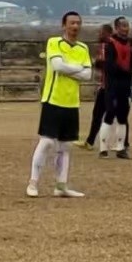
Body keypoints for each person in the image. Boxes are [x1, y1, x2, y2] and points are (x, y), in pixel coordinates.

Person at [27, 11, 95, 198]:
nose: (75, 27)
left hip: (72, 103)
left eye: (78, 23)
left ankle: (61, 185)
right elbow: (57, 66)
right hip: (53, 99)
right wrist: (77, 69)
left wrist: (69, 69)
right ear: (64, 25)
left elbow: (87, 75)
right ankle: (33, 182)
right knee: (47, 141)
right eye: (72, 23)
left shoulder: (82, 48)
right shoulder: (54, 43)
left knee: (65, 146)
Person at [96, 16, 132, 159]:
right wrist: (125, 71)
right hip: (112, 85)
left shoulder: (129, 44)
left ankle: (121, 148)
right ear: (117, 28)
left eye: (127, 26)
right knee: (110, 113)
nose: (126, 29)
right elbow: (110, 65)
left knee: (122, 116)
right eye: (123, 26)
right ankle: (103, 148)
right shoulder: (110, 44)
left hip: (125, 86)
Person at [84, 24, 115, 150]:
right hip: (104, 86)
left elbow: (109, 65)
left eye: (101, 32)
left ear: (108, 33)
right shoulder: (103, 45)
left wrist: (97, 63)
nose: (99, 35)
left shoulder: (111, 46)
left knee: (113, 115)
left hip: (112, 86)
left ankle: (121, 142)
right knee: (98, 113)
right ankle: (90, 141)